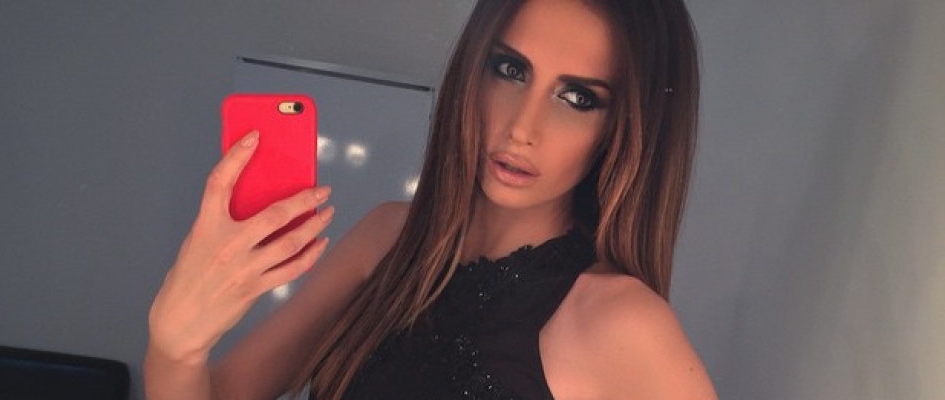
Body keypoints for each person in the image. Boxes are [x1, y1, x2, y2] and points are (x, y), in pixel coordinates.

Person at [145, 0, 718, 399]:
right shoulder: (387, 239)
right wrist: (175, 348)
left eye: (577, 99)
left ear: (626, 128)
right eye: (509, 69)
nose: (522, 127)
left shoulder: (620, 322)